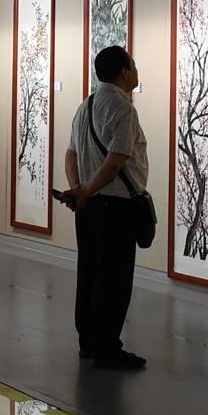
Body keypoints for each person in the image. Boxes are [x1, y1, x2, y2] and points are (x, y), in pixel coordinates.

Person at [60, 46, 148, 370]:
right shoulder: (123, 110)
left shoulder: (85, 105)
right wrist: (85, 191)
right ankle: (107, 347)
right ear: (124, 72)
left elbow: (70, 154)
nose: (136, 71)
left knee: (89, 273)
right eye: (133, 65)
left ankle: (88, 341)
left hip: (88, 208)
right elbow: (114, 163)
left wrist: (79, 191)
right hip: (115, 207)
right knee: (113, 279)